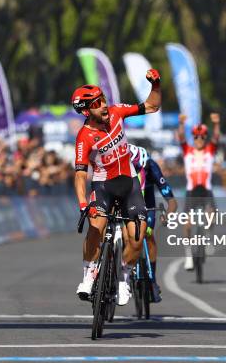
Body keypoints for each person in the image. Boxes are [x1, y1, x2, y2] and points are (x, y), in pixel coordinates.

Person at [72, 68, 162, 305]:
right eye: (96, 103)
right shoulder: (84, 137)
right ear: (86, 110)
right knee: (96, 227)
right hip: (103, 186)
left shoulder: (116, 113)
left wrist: (156, 85)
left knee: (137, 236)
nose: (103, 105)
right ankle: (88, 276)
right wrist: (83, 204)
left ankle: (124, 278)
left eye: (102, 99)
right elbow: (80, 174)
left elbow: (152, 106)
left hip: (129, 183)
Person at [129, 144, 178, 302]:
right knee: (125, 235)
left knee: (148, 236)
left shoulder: (153, 168)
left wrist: (167, 216)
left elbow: (171, 200)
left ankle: (153, 281)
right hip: (128, 200)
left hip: (147, 203)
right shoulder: (125, 166)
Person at [176, 112, 221, 270]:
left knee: (212, 214)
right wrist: (181, 123)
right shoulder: (187, 150)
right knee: (187, 223)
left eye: (202, 137)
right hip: (191, 191)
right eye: (196, 137)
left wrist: (216, 123)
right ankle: (188, 255)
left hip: (206, 190)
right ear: (193, 138)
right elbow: (181, 137)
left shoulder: (210, 150)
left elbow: (216, 137)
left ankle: (208, 238)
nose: (199, 139)